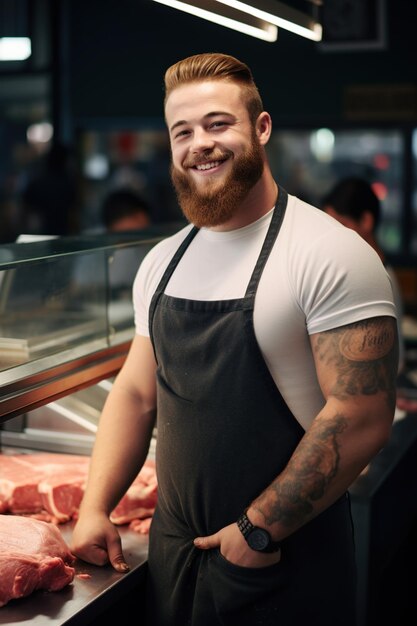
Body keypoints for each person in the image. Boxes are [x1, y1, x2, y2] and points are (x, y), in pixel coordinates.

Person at [71, 53, 399, 626]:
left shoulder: (330, 254)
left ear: (262, 128)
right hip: (176, 555)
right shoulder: (162, 261)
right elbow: (136, 395)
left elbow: (362, 413)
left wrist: (258, 531)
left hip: (282, 559)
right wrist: (95, 507)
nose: (202, 143)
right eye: (184, 131)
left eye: (218, 123)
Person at [322, 176, 405, 374]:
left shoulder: (372, 279)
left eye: (340, 225)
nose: (333, 236)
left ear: (366, 221)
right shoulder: (372, 270)